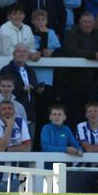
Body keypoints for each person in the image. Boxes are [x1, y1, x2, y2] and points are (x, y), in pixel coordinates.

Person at [58, 12, 98, 131]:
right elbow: (72, 51)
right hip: (72, 86)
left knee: (91, 117)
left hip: (92, 86)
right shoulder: (70, 34)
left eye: (90, 22)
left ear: (94, 23)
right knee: (73, 119)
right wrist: (94, 55)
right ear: (79, 23)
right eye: (85, 22)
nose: (87, 25)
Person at [0, 100, 31, 192]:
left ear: (14, 111)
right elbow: (0, 147)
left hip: (13, 175)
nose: (7, 111)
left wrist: (8, 149)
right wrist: (10, 126)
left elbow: (27, 147)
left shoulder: (20, 122)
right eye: (3, 109)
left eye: (10, 108)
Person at [31, 9, 62, 148]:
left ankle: (43, 145)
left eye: (42, 19)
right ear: (32, 22)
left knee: (45, 114)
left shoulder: (51, 33)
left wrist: (52, 53)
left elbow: (59, 51)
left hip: (47, 79)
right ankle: (34, 144)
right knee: (35, 114)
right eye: (37, 20)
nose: (40, 22)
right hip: (32, 79)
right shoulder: (29, 33)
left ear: (47, 21)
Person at [0, 43, 40, 139]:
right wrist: (22, 89)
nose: (22, 54)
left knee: (29, 145)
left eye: (24, 52)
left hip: (31, 114)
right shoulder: (6, 70)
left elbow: (33, 89)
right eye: (19, 51)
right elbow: (4, 90)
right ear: (14, 53)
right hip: (13, 114)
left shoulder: (31, 71)